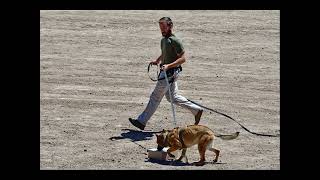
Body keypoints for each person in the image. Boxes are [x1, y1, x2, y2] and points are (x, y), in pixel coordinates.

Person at [129, 17, 203, 130]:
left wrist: (168, 65)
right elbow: (165, 52)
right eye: (160, 27)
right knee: (172, 97)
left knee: (155, 97)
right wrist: (158, 60)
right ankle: (196, 110)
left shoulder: (175, 41)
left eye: (164, 27)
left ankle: (141, 121)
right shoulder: (163, 40)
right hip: (168, 72)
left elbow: (183, 59)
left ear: (170, 26)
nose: (162, 30)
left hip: (170, 73)